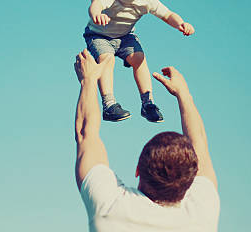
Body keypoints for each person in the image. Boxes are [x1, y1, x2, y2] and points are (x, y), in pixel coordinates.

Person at [74, 49, 220, 231]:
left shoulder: (110, 206)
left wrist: (88, 81)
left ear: (137, 169)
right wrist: (184, 95)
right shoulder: (202, 213)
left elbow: (85, 133)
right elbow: (200, 143)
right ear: (191, 179)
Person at [84, 0, 195, 123]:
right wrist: (97, 14)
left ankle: (148, 103)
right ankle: (109, 104)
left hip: (126, 36)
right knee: (107, 59)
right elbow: (96, 4)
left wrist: (180, 23)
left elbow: (167, 15)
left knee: (139, 58)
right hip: (99, 35)